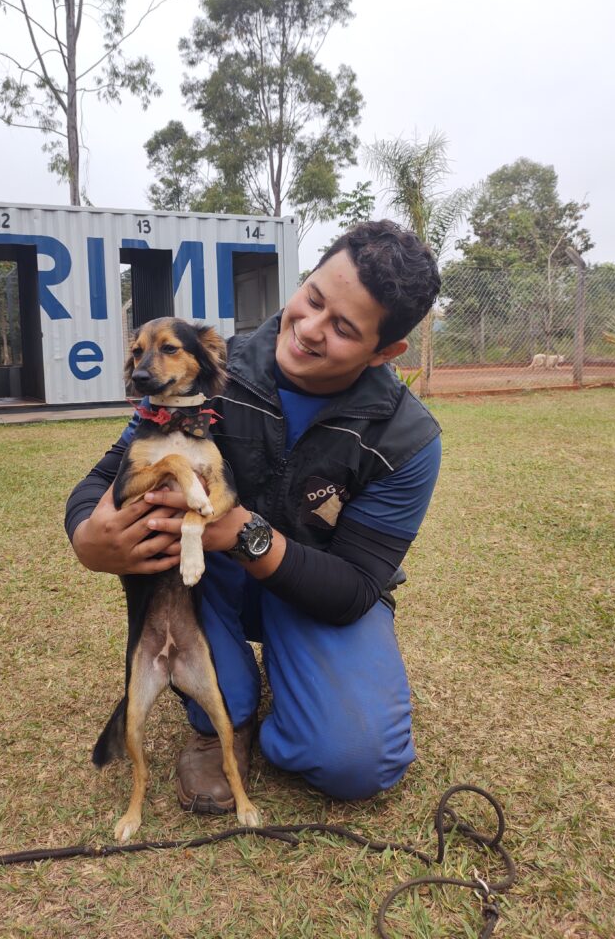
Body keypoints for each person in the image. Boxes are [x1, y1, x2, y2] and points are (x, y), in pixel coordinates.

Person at [65, 219, 442, 812]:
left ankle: (295, 704)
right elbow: (103, 476)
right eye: (312, 299)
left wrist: (243, 532)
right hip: (206, 577)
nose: (309, 331)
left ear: (385, 352)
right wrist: (86, 535)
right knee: (176, 560)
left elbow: (356, 588)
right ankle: (226, 715)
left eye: (343, 327)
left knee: (354, 759)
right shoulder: (207, 368)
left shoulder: (406, 438)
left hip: (311, 587)